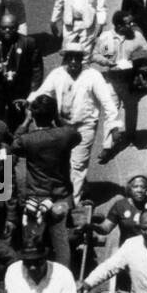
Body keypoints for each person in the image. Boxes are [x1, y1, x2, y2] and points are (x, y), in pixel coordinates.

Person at [29, 44, 120, 205]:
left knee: (77, 165)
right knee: (61, 162)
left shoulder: (93, 76)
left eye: (76, 57)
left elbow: (107, 101)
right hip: (62, 126)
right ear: (65, 58)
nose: (72, 62)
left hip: (84, 126)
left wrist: (114, 126)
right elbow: (43, 92)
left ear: (82, 59)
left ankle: (73, 204)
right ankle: (75, 188)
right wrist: (28, 102)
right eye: (69, 57)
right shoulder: (57, 74)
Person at [12, 95, 80, 267]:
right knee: (61, 243)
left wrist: (26, 121)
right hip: (61, 197)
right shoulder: (65, 135)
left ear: (34, 116)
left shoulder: (28, 140)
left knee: (33, 241)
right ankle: (66, 274)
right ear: (53, 114)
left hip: (36, 198)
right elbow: (76, 134)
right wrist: (58, 118)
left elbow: (15, 144)